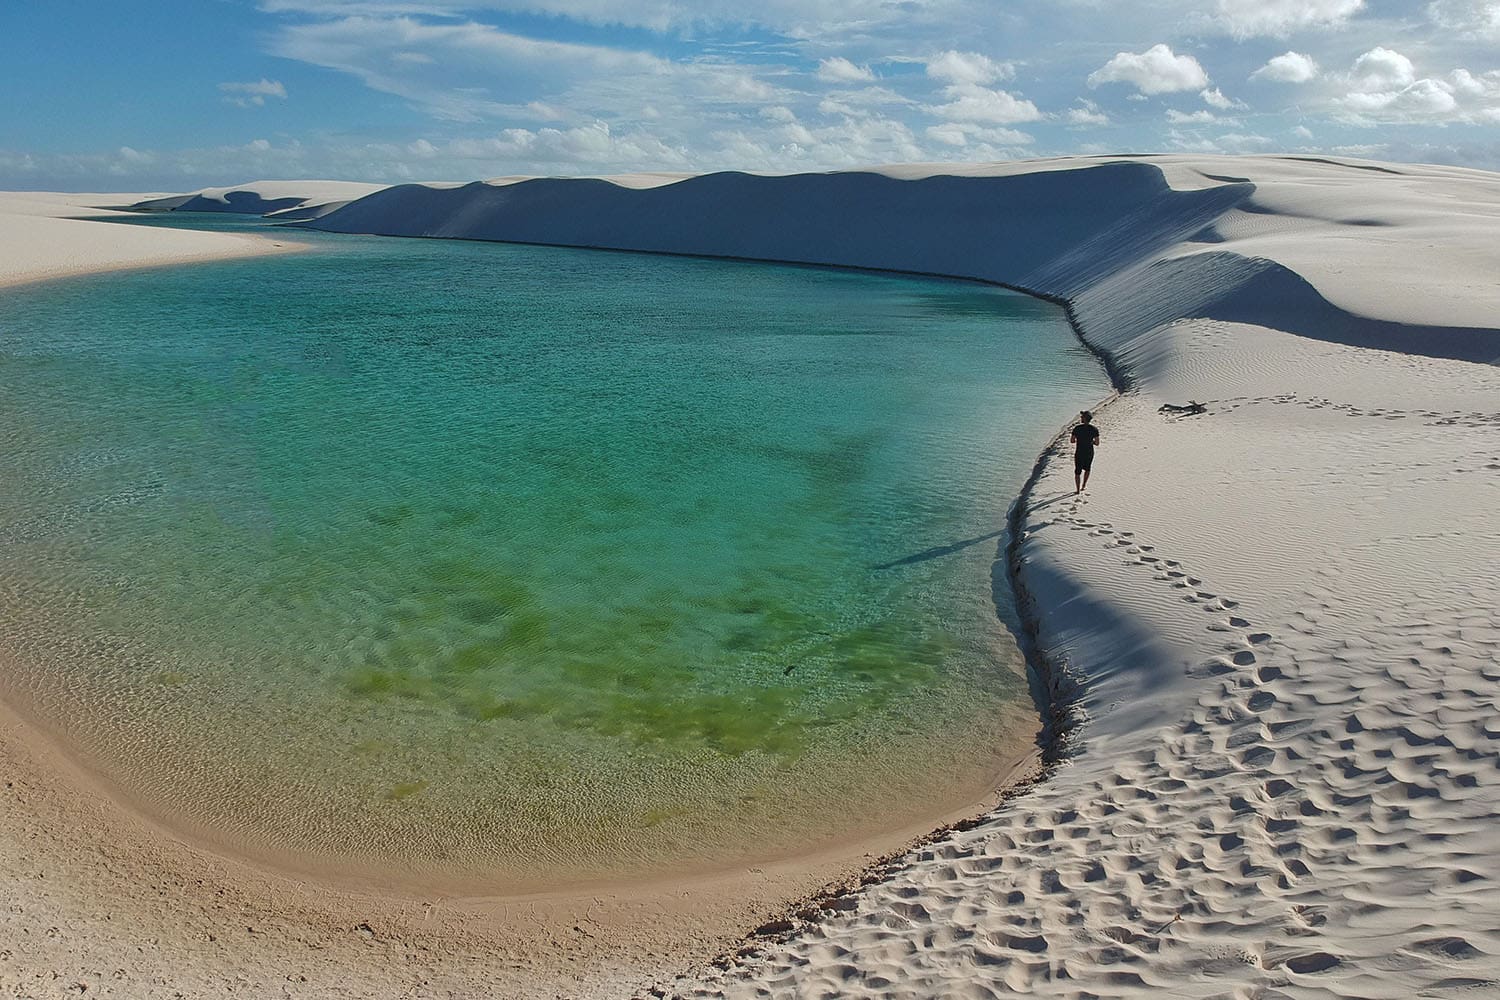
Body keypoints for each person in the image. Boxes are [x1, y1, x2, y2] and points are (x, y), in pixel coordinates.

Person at [1071, 410, 1100, 494]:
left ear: (1084, 418)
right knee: (1087, 469)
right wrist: (1091, 442)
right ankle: (1083, 485)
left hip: (1079, 452)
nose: (1080, 418)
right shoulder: (1094, 429)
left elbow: (1072, 441)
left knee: (1077, 471)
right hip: (1089, 452)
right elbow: (1097, 443)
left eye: (1081, 417)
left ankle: (1077, 489)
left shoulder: (1077, 428)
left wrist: (1080, 440)